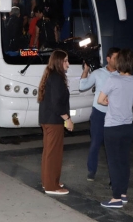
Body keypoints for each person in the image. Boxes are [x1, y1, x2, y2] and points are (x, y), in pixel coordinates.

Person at [79, 47, 133, 181]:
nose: (117, 61)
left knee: (114, 148)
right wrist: (86, 71)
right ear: (108, 59)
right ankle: (91, 170)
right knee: (96, 143)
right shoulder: (98, 73)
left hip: (115, 116)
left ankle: (114, 177)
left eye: (119, 58)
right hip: (99, 113)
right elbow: (82, 86)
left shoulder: (123, 75)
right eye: (115, 58)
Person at [97, 49, 133, 208]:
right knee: (124, 160)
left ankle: (116, 198)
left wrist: (109, 102)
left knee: (114, 162)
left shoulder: (112, 79)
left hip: (113, 127)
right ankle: (123, 193)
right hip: (128, 127)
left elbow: (100, 100)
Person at [38, 50, 73, 195]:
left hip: (47, 119)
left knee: (49, 152)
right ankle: (52, 187)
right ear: (58, 62)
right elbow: (57, 104)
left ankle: (49, 182)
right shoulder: (57, 78)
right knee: (54, 154)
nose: (68, 64)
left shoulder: (51, 76)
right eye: (65, 61)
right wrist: (68, 119)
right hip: (54, 121)